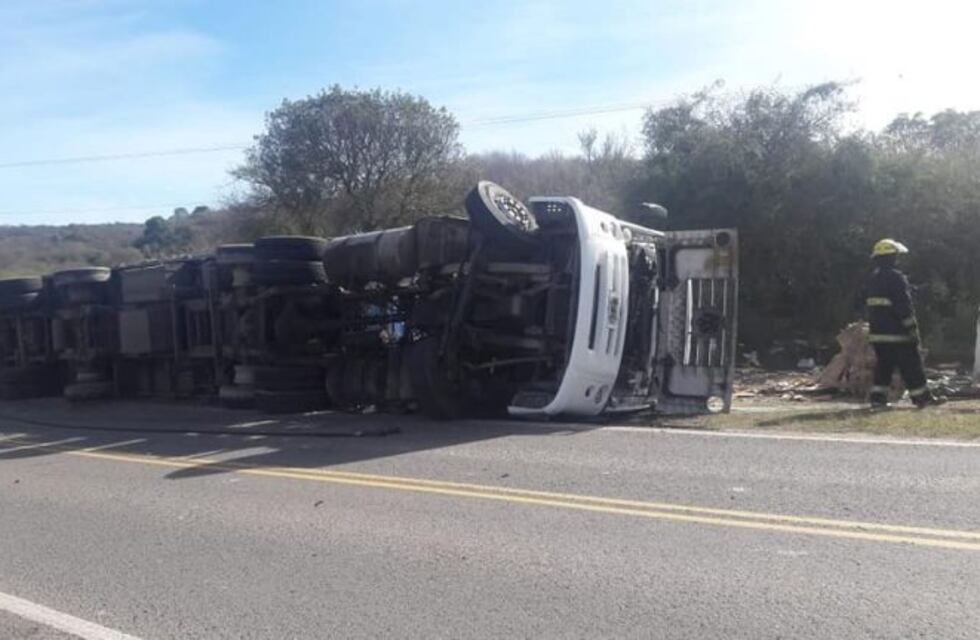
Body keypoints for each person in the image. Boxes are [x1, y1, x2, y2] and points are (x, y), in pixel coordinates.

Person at [865, 239, 944, 408]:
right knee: (912, 366)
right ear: (892, 257)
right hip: (898, 334)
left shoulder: (874, 278)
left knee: (884, 367)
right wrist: (913, 329)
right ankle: (922, 398)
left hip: (878, 335)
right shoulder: (896, 278)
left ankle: (877, 399)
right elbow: (903, 307)